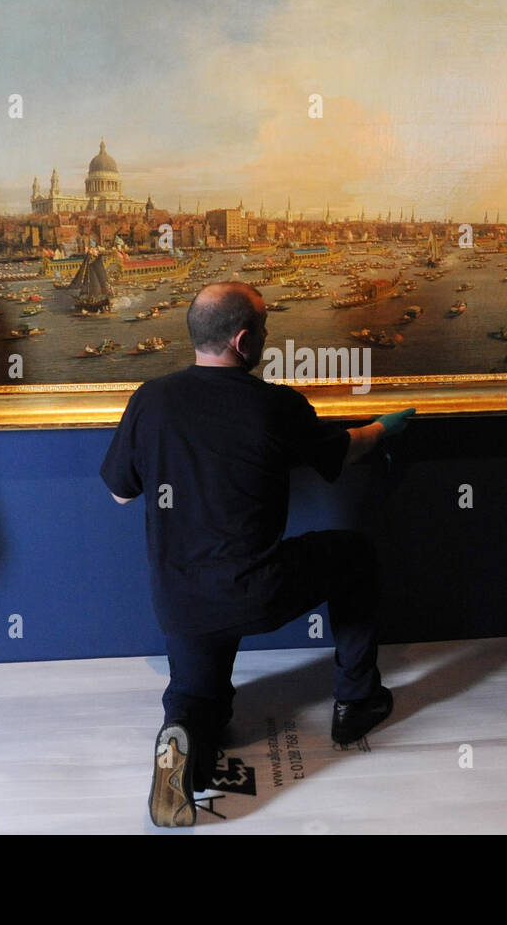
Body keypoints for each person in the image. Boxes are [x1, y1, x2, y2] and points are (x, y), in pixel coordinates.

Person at [100, 281, 413, 827]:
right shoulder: (277, 405)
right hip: (256, 588)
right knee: (355, 553)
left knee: (200, 699)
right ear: (244, 341)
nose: (266, 339)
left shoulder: (151, 399)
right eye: (264, 331)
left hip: (181, 600)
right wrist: (383, 428)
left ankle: (180, 738)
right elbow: (347, 450)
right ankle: (356, 702)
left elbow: (121, 492)